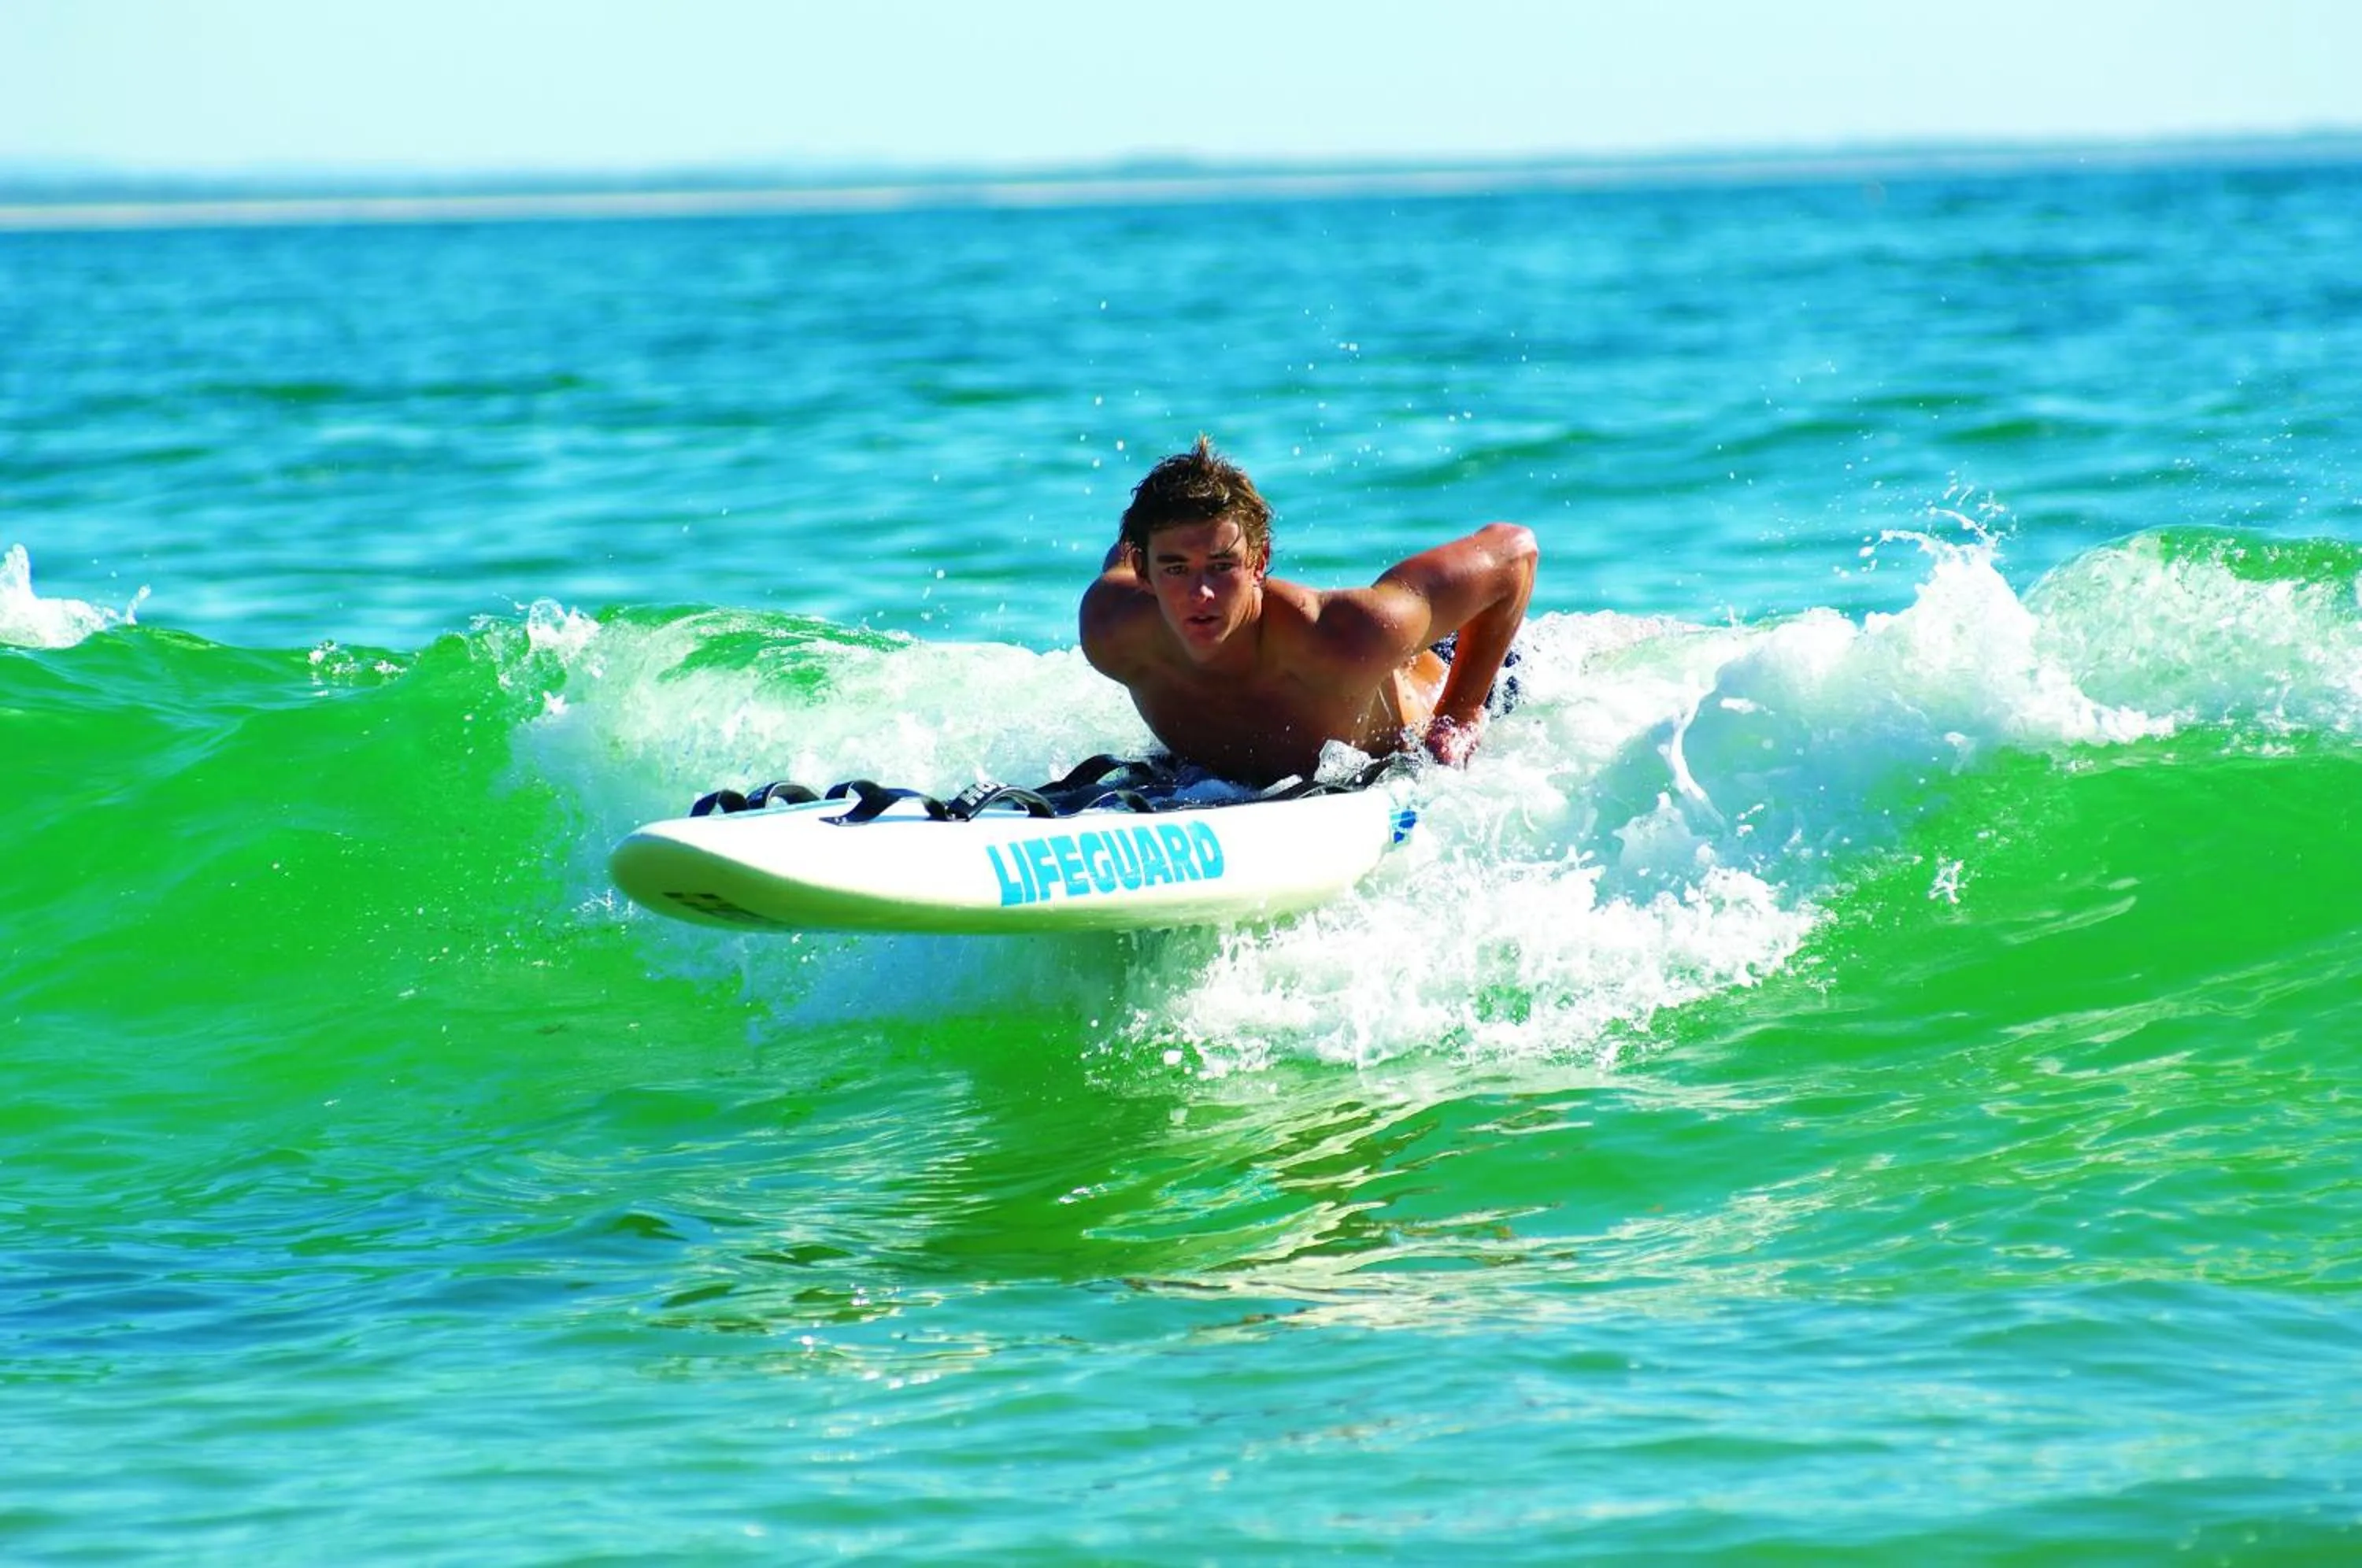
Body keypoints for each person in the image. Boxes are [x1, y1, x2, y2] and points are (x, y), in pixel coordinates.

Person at [1079, 436, 1538, 787]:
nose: (1201, 593)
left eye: (1222, 566)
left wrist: (1460, 715)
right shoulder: (1112, 628)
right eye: (1175, 568)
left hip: (1452, 666)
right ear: (1143, 571)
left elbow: (1515, 552)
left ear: (1258, 563)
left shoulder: (1346, 639)